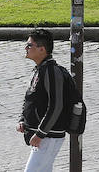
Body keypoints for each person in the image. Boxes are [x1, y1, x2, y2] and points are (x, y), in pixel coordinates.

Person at [17, 28, 79, 172]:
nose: (26, 48)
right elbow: (30, 98)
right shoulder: (39, 69)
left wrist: (40, 134)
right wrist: (22, 120)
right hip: (44, 136)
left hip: (49, 137)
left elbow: (56, 106)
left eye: (29, 45)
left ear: (42, 49)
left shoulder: (51, 71)